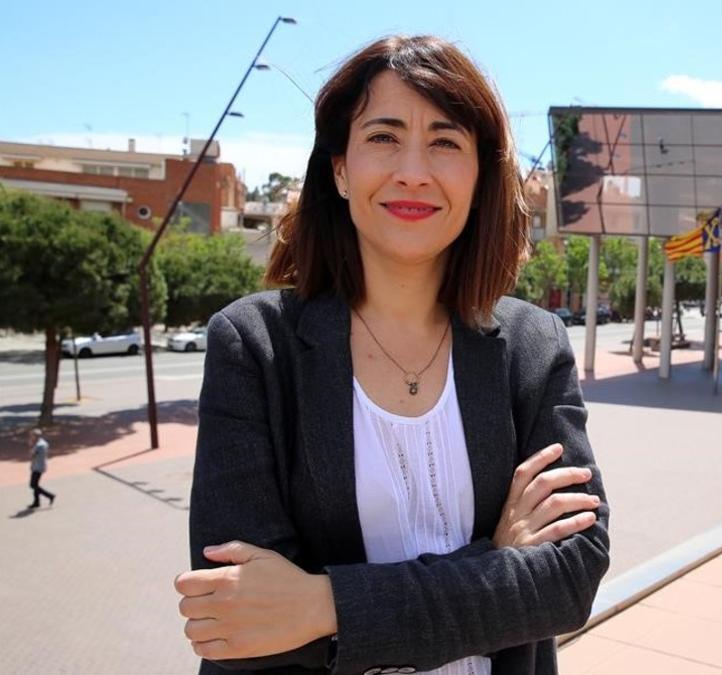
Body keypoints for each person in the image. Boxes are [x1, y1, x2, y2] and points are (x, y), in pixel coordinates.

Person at [172, 35, 609, 675]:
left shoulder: (532, 347)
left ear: (479, 173)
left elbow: (569, 579)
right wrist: (495, 562)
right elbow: (240, 618)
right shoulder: (254, 344)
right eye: (382, 137)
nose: (413, 170)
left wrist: (324, 605)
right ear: (340, 169)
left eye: (445, 141)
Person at [28, 428, 55, 509]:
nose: (31, 437)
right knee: (35, 485)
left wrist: (31, 446)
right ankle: (36, 502)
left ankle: (50, 495)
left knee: (33, 485)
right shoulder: (43, 443)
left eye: (32, 435)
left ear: (35, 436)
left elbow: (32, 455)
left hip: (38, 467)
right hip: (38, 466)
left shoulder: (39, 445)